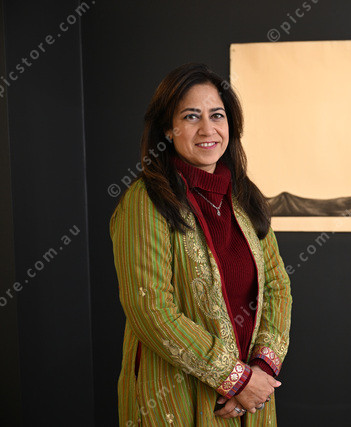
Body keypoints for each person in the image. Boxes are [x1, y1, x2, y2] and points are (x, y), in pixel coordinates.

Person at [110, 62, 292, 426]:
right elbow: (151, 309)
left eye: (217, 115)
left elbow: (277, 286)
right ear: (168, 128)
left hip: (252, 398)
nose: (207, 129)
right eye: (191, 116)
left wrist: (260, 371)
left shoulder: (245, 197)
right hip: (176, 394)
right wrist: (235, 379)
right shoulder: (146, 200)